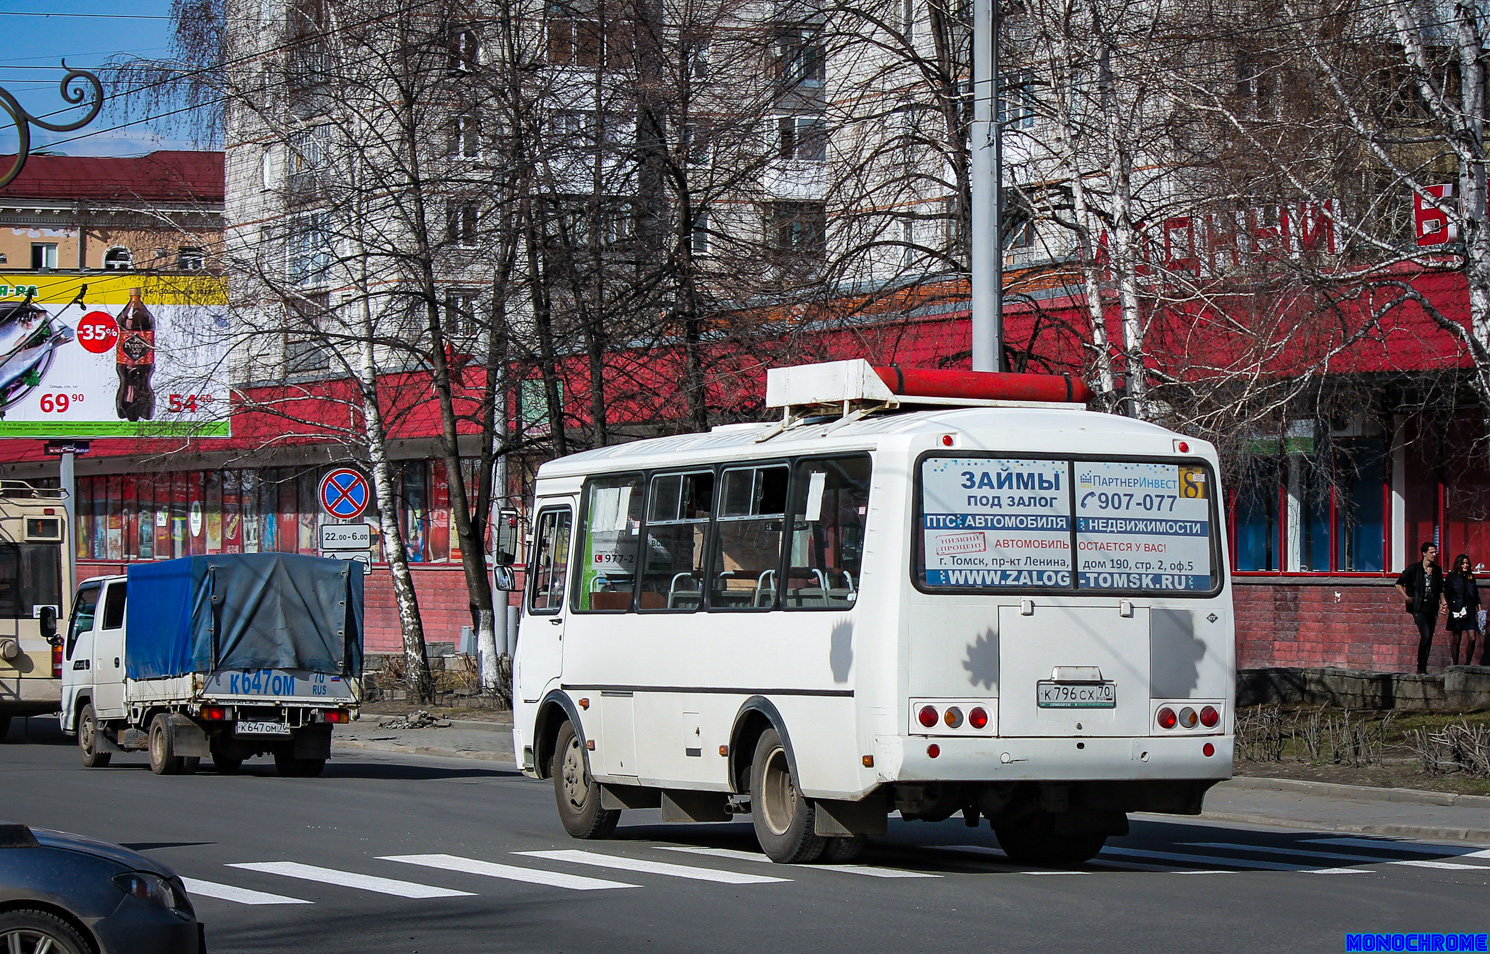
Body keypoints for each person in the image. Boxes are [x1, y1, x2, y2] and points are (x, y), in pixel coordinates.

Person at [1395, 542, 1445, 674]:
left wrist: (1443, 603)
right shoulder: (1414, 569)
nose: (1434, 555)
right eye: (1431, 552)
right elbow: (1399, 584)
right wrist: (1406, 597)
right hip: (1419, 607)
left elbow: (1440, 589)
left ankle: (1423, 667)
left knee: (1429, 638)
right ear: (1424, 553)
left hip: (1432, 607)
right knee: (1426, 635)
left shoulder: (1437, 570)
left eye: (1435, 552)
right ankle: (1420, 667)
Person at [1444, 553, 1481, 667]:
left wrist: (1479, 610)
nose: (1465, 565)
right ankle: (1455, 664)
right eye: (1463, 563)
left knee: (1472, 637)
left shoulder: (1470, 577)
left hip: (1469, 609)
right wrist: (1448, 605)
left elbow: (1476, 595)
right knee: (1456, 639)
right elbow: (1447, 593)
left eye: (1467, 563)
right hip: (1457, 609)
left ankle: (1467, 663)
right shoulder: (1452, 577)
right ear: (1458, 564)